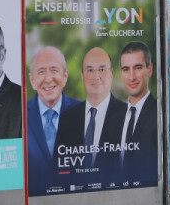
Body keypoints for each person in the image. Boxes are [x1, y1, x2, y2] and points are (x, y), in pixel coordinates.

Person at [54, 47, 128, 187]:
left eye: (102, 69)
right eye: (90, 70)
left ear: (111, 73)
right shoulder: (66, 119)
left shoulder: (127, 116)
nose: (96, 76)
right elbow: (58, 171)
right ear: (82, 76)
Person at [26, 46, 81, 195]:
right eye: (41, 72)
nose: (48, 79)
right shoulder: (20, 115)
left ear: (65, 76)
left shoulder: (83, 114)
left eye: (54, 70)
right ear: (32, 80)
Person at [118, 41, 158, 187]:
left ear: (150, 69)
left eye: (138, 68)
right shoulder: (115, 118)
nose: (132, 77)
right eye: (126, 69)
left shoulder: (159, 114)